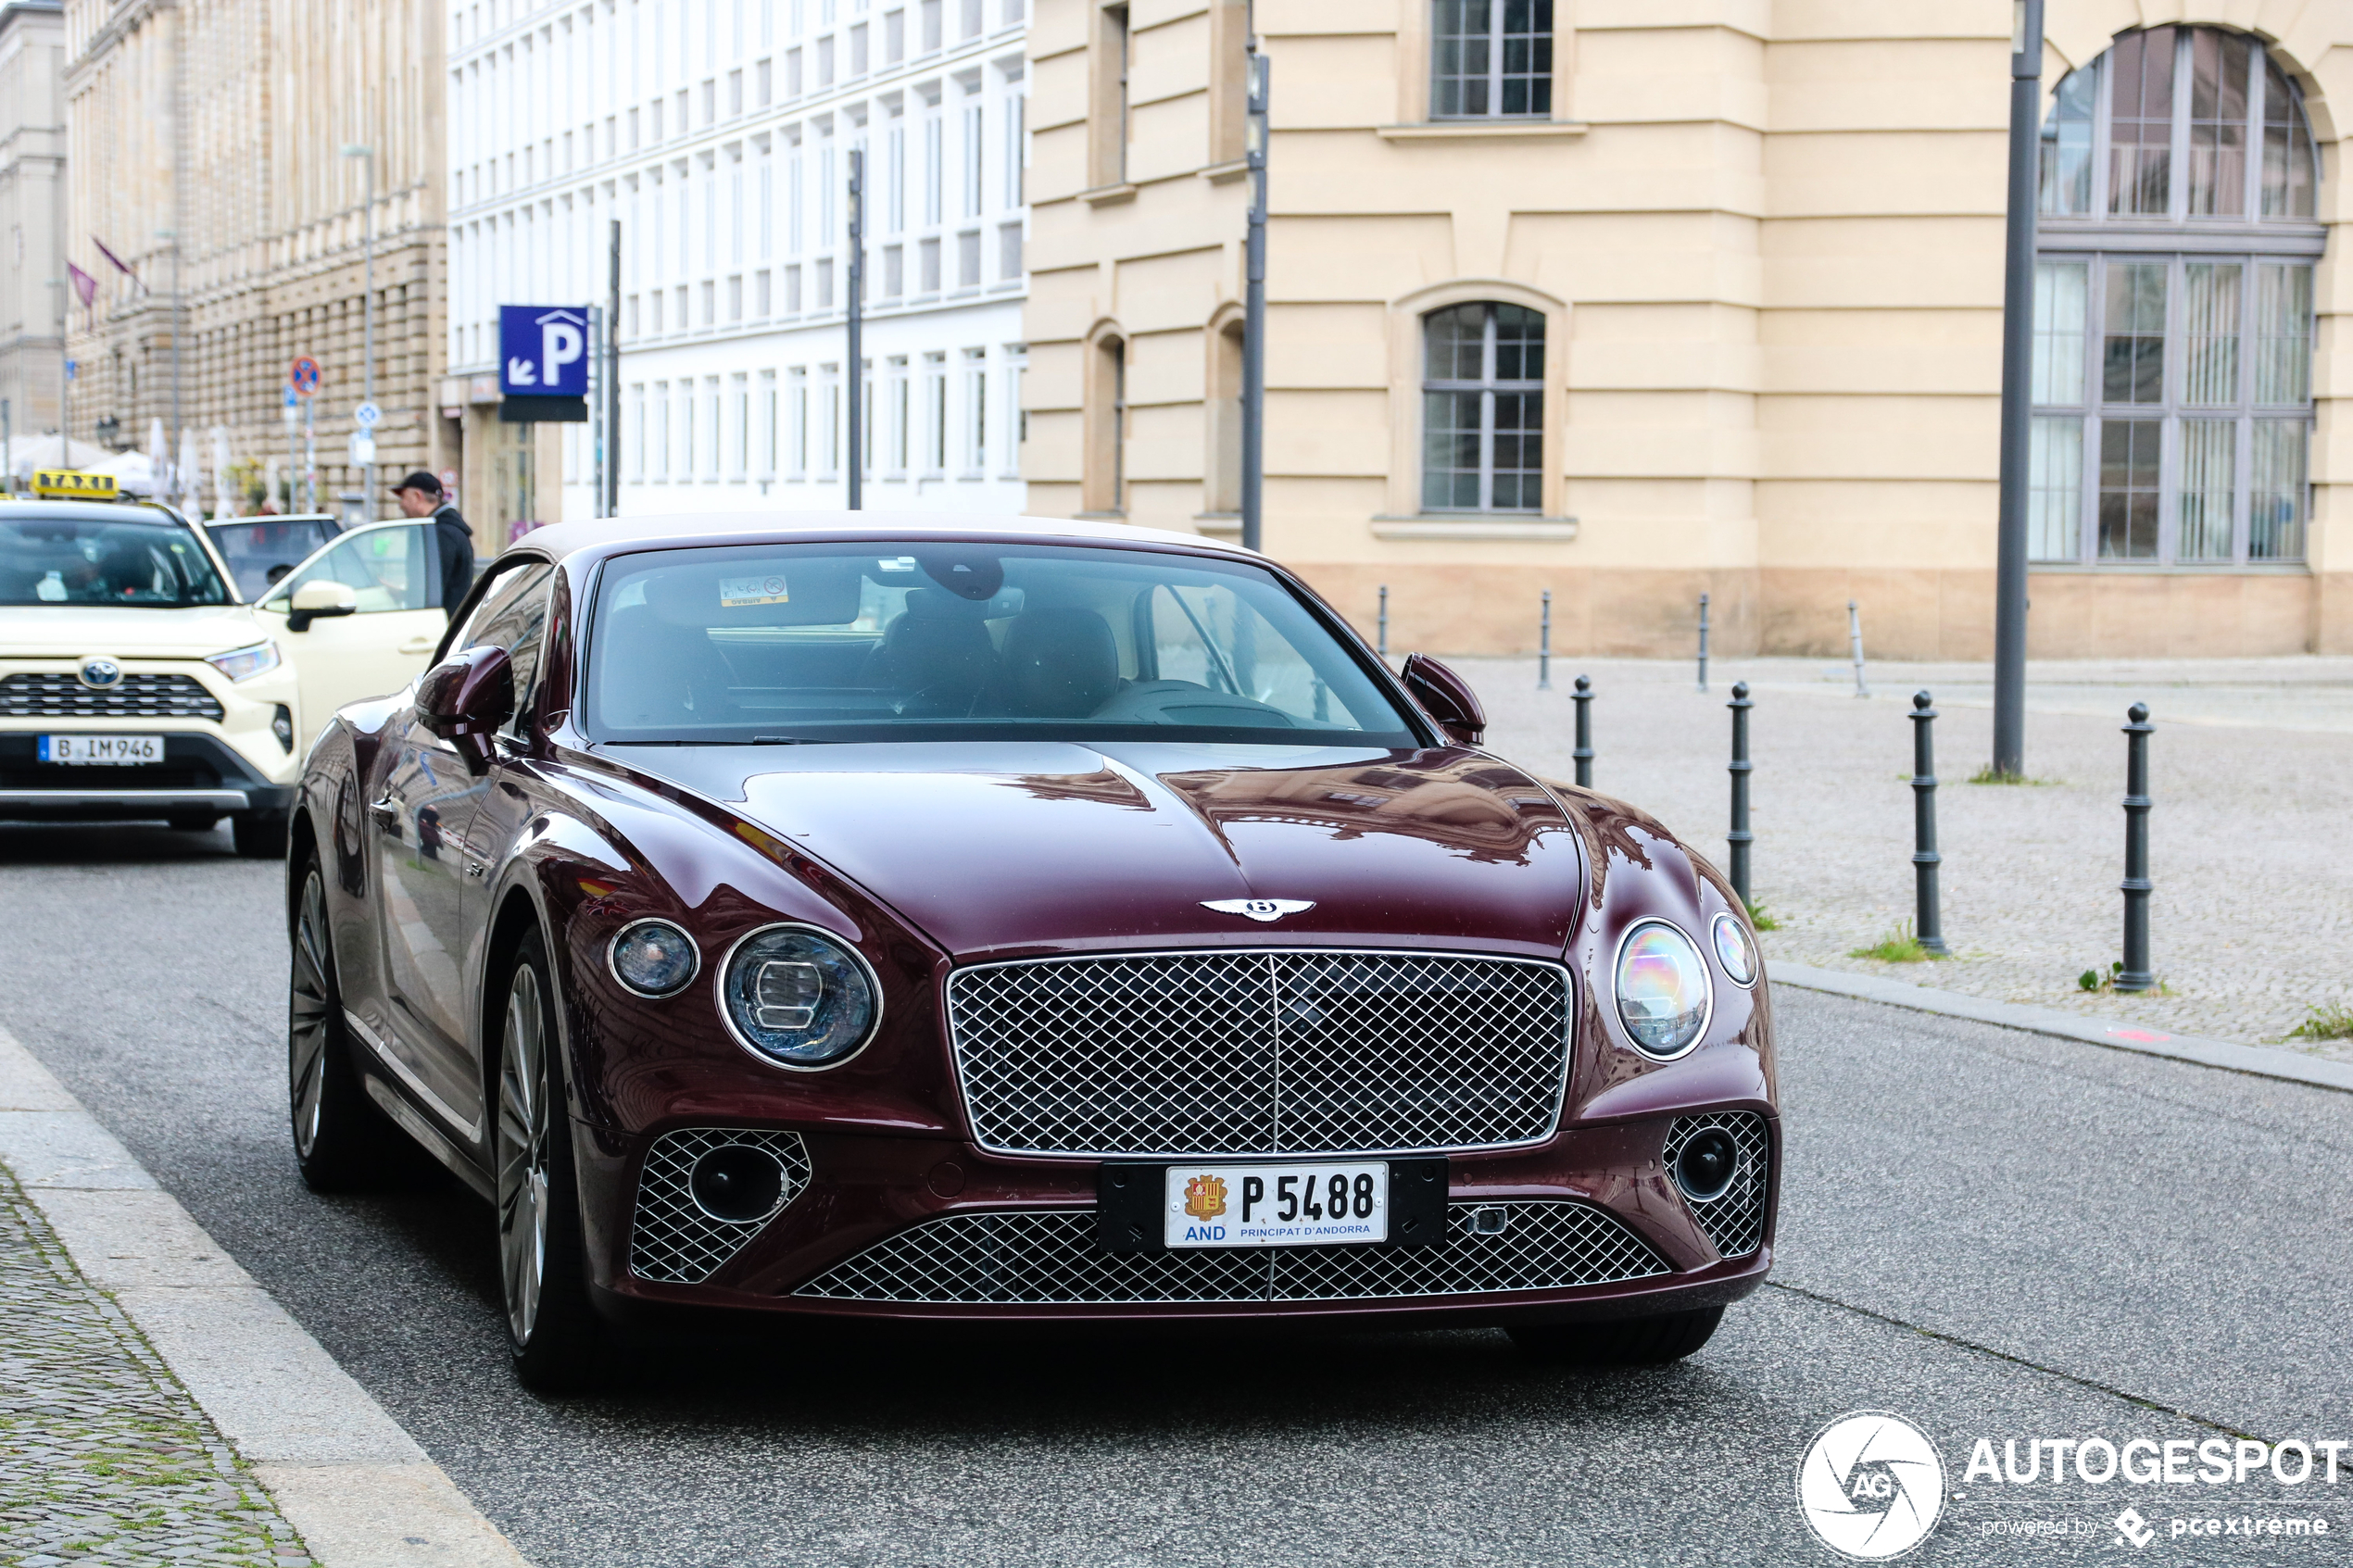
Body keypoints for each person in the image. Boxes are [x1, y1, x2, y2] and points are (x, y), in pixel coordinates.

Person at [391, 470, 475, 619]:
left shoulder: (440, 534)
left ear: (418, 496)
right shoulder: (442, 530)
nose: (401, 505)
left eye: (403, 497)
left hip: (441, 627)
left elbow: (430, 589)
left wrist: (409, 596)